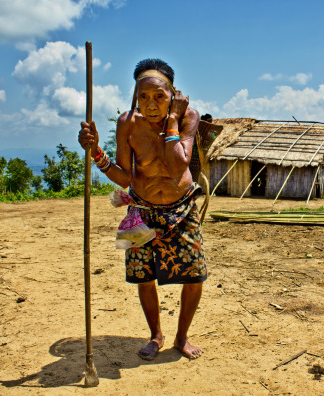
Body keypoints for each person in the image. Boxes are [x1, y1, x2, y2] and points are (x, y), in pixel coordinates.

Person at [78, 58, 206, 360]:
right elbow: (124, 176)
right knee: (144, 277)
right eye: (143, 97)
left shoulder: (189, 117)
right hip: (141, 209)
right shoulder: (127, 123)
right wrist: (95, 150)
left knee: (195, 275)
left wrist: (172, 120)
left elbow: (177, 165)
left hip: (183, 208)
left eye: (159, 96)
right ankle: (156, 335)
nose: (150, 104)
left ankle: (181, 337)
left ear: (173, 95)